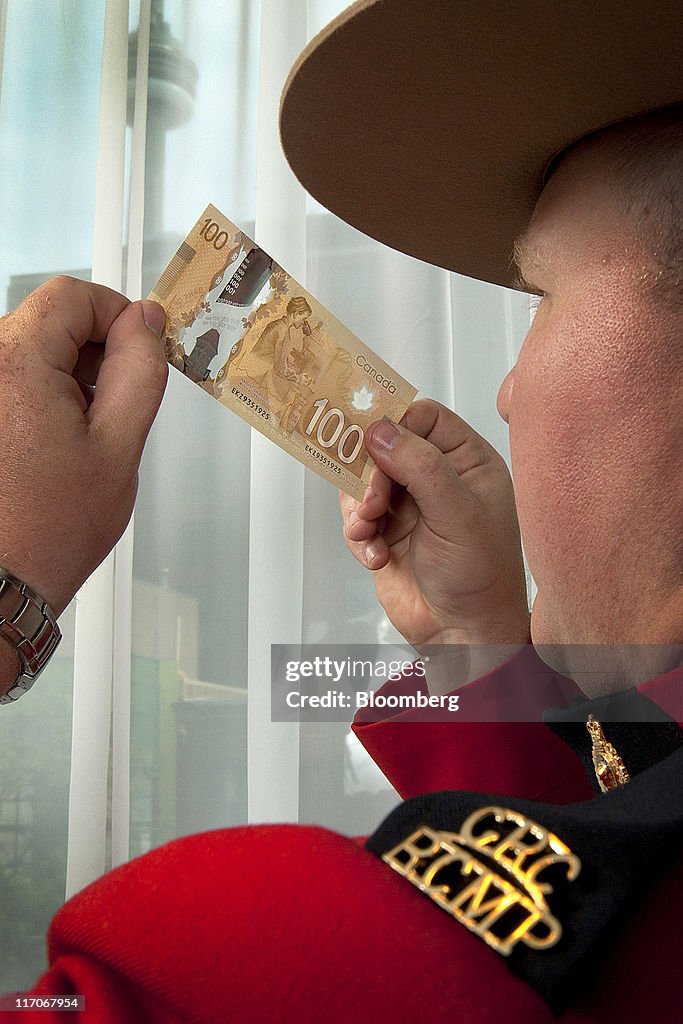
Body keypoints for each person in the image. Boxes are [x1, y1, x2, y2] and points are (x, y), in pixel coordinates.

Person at [0, 2, 680, 1022]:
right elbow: (594, 912)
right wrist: (475, 649)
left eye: (539, 294)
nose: (504, 392)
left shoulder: (269, 968)